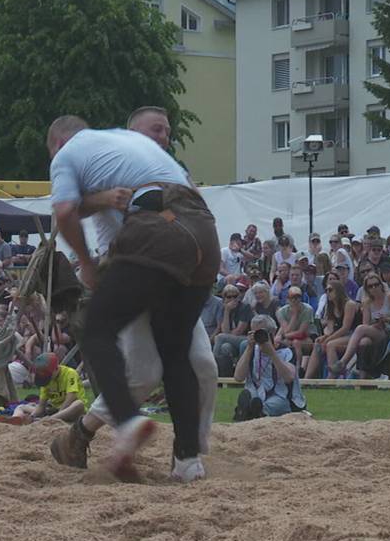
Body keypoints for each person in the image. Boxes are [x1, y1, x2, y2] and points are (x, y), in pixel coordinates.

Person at [45, 116, 219, 482]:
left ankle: (125, 426)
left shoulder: (69, 155)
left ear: (57, 145)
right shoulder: (130, 150)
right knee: (171, 357)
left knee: (96, 330)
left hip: (152, 243)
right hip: (203, 233)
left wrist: (88, 266)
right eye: (158, 129)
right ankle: (187, 460)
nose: (163, 136)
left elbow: (63, 211)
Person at [232, 315, 306, 418]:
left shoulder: (287, 351)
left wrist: (272, 353)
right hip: (257, 392)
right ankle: (252, 411)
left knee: (273, 404)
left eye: (261, 333)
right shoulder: (248, 348)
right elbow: (238, 377)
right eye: (254, 333)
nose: (258, 336)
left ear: (273, 333)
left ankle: (250, 412)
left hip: (280, 395)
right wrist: (249, 348)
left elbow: (288, 378)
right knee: (253, 398)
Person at [334, 273, 390, 376]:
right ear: (367, 289)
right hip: (375, 330)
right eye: (370, 286)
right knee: (363, 341)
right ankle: (363, 377)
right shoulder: (367, 302)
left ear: (381, 285)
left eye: (376, 284)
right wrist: (375, 325)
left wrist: (385, 319)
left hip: (389, 332)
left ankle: (343, 362)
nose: (374, 288)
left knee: (360, 329)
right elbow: (366, 324)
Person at [13, 353, 87, 423]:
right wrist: (32, 416)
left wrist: (58, 413)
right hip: (54, 411)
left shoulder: (70, 373)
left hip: (70, 410)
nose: (46, 379)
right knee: (21, 407)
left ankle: (48, 420)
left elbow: (71, 398)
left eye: (47, 376)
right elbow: (41, 406)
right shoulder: (45, 380)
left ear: (56, 368)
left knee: (79, 404)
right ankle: (16, 421)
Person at [212, 284, 251, 377]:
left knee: (220, 337)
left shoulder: (245, 307)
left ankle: (212, 368)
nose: (233, 299)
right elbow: (225, 330)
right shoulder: (223, 308)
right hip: (231, 340)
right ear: (224, 298)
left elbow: (239, 331)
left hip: (245, 338)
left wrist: (227, 335)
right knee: (225, 346)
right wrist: (227, 311)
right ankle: (227, 375)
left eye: (235, 296)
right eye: (229, 297)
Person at [275, 286, 314, 376]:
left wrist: (284, 336)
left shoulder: (307, 309)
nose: (295, 300)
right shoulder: (282, 311)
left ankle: (298, 368)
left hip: (306, 338)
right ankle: (282, 369)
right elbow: (286, 330)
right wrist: (294, 315)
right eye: (292, 298)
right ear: (288, 299)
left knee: (296, 342)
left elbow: (301, 332)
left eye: (297, 297)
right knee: (278, 342)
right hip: (289, 338)